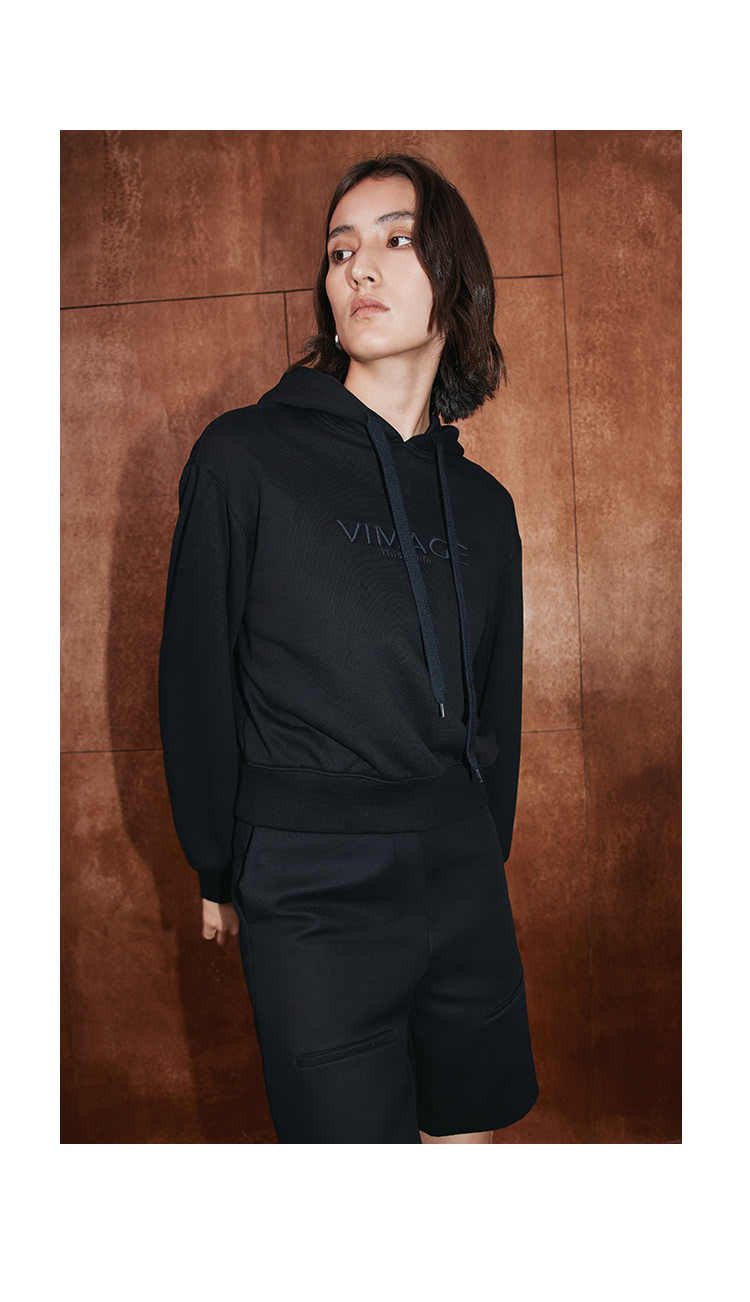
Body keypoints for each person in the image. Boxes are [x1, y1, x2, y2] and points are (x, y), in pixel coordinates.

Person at [159, 151, 539, 1144]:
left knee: (469, 1147)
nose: (359, 267)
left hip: (462, 872)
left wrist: (481, 852)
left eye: (396, 239)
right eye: (339, 251)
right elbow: (195, 678)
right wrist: (217, 865)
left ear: (455, 279)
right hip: (314, 888)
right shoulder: (244, 457)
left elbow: (496, 700)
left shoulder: (485, 508)